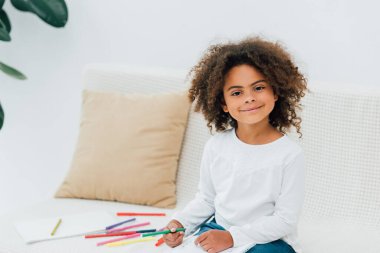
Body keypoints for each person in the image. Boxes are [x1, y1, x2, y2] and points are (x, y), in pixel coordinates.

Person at [163, 36, 308, 253]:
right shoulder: (216, 146)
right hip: (219, 228)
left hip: (267, 241)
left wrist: (232, 238)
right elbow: (206, 199)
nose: (249, 98)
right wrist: (180, 223)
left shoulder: (289, 155)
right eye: (237, 93)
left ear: (275, 91)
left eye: (258, 88)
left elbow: (285, 220)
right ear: (223, 103)